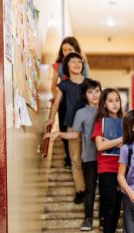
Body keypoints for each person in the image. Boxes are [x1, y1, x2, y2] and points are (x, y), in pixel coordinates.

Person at [44, 79, 101, 231]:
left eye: (97, 91)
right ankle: (88, 219)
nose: (94, 95)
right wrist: (58, 134)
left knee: (108, 191)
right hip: (90, 157)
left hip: (108, 158)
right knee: (89, 190)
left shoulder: (107, 109)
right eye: (90, 92)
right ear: (84, 95)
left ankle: (103, 220)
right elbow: (75, 134)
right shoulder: (81, 113)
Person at [46, 52, 88, 204]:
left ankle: (92, 186)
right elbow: (56, 103)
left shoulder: (90, 83)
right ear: (67, 66)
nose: (77, 64)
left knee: (90, 160)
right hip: (72, 127)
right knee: (75, 160)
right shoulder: (63, 85)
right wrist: (50, 119)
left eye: (79, 61)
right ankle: (80, 190)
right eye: (73, 62)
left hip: (89, 127)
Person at [91, 88, 124, 233]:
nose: (114, 103)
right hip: (106, 169)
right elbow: (100, 146)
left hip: (122, 168)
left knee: (117, 205)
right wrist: (120, 140)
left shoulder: (124, 122)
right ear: (104, 103)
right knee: (110, 203)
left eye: (117, 100)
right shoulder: (99, 122)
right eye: (110, 100)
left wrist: (114, 142)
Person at [51, 36, 88, 168]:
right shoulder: (58, 66)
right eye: (64, 50)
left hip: (79, 103)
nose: (66, 52)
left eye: (70, 49)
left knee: (80, 131)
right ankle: (68, 156)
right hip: (63, 103)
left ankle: (82, 157)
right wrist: (57, 98)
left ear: (76, 49)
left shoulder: (83, 65)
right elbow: (53, 86)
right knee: (64, 128)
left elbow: (86, 84)